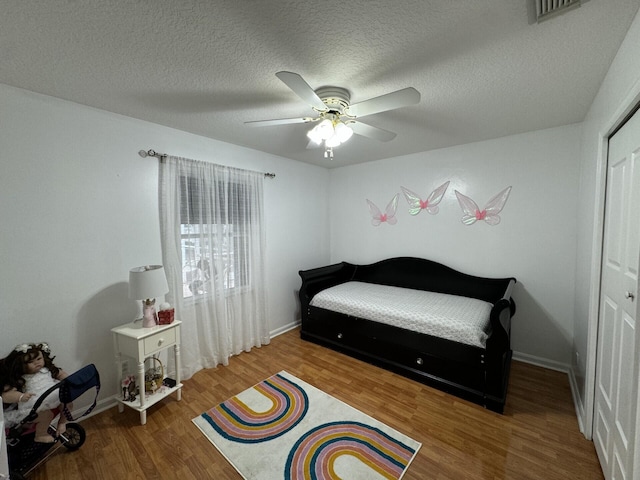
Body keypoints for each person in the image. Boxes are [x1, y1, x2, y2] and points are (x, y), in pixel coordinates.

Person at [0, 342, 69, 443]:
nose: (37, 363)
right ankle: (40, 435)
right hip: (33, 406)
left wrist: (69, 380)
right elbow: (5, 396)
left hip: (51, 397)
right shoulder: (20, 378)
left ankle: (62, 422)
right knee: (47, 415)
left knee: (67, 402)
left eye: (39, 359)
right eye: (31, 362)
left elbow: (60, 373)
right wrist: (20, 396)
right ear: (21, 365)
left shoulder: (46, 369)